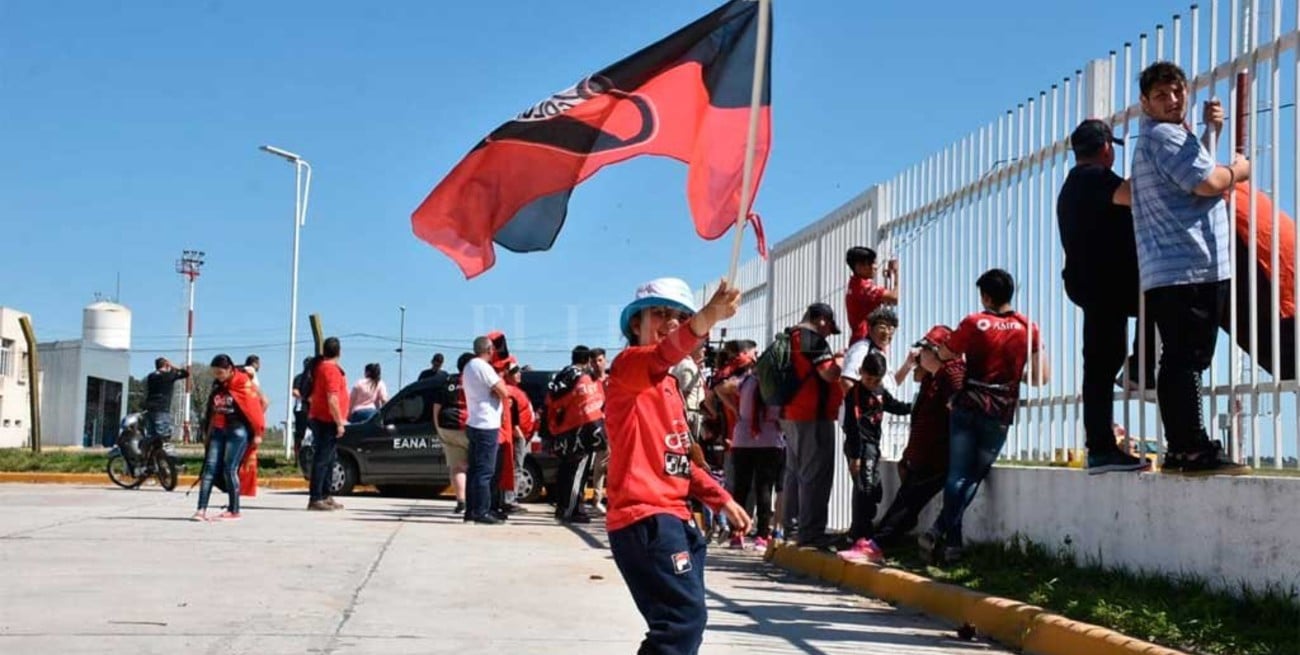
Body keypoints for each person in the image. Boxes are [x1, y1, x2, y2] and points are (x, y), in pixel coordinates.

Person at [606, 276, 751, 655]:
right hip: (645, 518)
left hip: (676, 519)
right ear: (635, 323)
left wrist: (721, 499)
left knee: (685, 622)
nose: (672, 322)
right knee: (682, 621)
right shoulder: (628, 368)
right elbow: (662, 354)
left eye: (681, 317)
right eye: (660, 313)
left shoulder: (669, 387)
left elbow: (680, 460)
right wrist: (708, 315)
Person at [1131, 61, 1251, 475]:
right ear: (1145, 102)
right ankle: (1191, 447)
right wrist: (1238, 170)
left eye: (1177, 91)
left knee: (1181, 358)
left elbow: (1190, 172)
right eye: (1161, 95)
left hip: (1174, 268)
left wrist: (1210, 132)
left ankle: (1185, 447)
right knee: (1186, 360)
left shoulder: (1163, 137)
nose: (1172, 100)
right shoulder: (1163, 136)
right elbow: (1205, 182)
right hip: (1187, 265)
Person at [920, 269, 1048, 564]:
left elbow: (945, 354)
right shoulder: (1028, 327)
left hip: (967, 406)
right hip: (1000, 412)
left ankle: (950, 540)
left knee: (957, 475)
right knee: (974, 475)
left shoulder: (973, 322)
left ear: (986, 297)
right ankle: (942, 534)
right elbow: (1041, 377)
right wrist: (1013, 374)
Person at [1057, 118, 1156, 474]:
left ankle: (1101, 443)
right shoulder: (1095, 178)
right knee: (1160, 295)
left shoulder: (1073, 184)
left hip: (1092, 284)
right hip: (1108, 284)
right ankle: (1139, 369)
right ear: (1105, 149)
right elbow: (1133, 196)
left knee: (1100, 362)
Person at [872, 326, 965, 552]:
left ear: (937, 351)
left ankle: (878, 544)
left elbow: (960, 415)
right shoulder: (932, 378)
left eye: (924, 349)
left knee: (906, 503)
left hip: (937, 456)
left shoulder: (951, 375)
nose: (918, 354)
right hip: (923, 455)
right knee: (906, 501)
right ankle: (885, 540)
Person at [778, 302, 845, 550]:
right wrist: (841, 359)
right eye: (829, 329)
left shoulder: (788, 337)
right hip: (812, 416)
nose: (828, 335)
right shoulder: (811, 338)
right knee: (815, 475)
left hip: (789, 414)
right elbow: (829, 374)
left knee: (794, 473)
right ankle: (811, 533)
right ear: (821, 320)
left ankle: (793, 528)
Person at [838, 351, 911, 563]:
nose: (871, 384)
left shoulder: (879, 391)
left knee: (873, 490)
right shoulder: (855, 394)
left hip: (873, 447)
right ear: (861, 372)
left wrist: (914, 408)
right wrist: (855, 457)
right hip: (860, 447)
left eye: (876, 380)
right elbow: (852, 427)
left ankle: (862, 531)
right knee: (865, 490)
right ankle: (861, 535)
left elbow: (894, 405)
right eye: (868, 379)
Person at [192, 354, 265, 522]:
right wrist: (207, 434)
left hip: (237, 431)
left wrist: (258, 433)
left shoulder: (243, 383)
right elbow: (212, 411)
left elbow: (257, 407)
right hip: (218, 430)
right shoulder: (218, 386)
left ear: (229, 370)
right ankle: (201, 509)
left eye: (220, 373)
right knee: (209, 469)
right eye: (214, 373)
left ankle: (234, 509)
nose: (217, 376)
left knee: (229, 469)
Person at [728, 350, 783, 551]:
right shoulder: (776, 384)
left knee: (741, 489)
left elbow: (722, 387)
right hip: (769, 440)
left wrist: (735, 410)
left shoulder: (746, 381)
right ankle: (762, 535)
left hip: (743, 439)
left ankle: (737, 533)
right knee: (764, 489)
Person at [546, 345, 605, 523]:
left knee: (565, 471)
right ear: (587, 360)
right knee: (578, 473)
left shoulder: (562, 375)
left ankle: (562, 507)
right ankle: (571, 510)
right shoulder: (583, 378)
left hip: (563, 431)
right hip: (581, 432)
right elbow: (590, 406)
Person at [462, 335, 510, 524]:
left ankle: (471, 510)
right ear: (489, 350)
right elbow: (503, 391)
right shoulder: (484, 367)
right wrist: (498, 387)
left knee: (474, 470)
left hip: (473, 421)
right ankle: (482, 511)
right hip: (486, 424)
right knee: (485, 471)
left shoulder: (468, 367)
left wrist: (494, 390)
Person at [307, 337, 348, 512]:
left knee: (330, 459)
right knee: (322, 460)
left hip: (322, 418)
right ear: (339, 352)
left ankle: (325, 494)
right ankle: (316, 497)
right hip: (326, 420)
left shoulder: (322, 367)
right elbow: (332, 399)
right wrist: (339, 422)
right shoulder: (330, 370)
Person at [433, 353, 474, 514]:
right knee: (476, 466)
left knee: (457, 467)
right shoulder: (475, 381)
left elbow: (436, 407)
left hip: (447, 426)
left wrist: (438, 428)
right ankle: (476, 501)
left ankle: (461, 501)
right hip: (470, 426)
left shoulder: (448, 380)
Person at [500, 360, 536, 514]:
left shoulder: (515, 390)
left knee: (516, 468)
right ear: (507, 375)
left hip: (522, 436)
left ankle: (509, 499)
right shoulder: (509, 392)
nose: (519, 374)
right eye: (515, 372)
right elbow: (510, 417)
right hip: (515, 437)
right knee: (515, 468)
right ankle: (509, 500)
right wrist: (519, 435)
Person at [844, 246, 900, 345]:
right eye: (871, 263)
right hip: (866, 339)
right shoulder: (863, 287)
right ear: (859, 266)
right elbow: (895, 298)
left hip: (861, 339)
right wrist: (896, 273)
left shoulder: (854, 284)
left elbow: (884, 300)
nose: (875, 267)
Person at [586, 347, 611, 515]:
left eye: (600, 360)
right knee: (598, 466)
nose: (597, 364)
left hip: (610, 426)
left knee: (609, 464)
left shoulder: (611, 381)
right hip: (593, 427)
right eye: (594, 361)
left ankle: (608, 498)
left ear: (605, 361)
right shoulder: (588, 382)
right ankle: (596, 499)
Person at [143, 357, 188, 442]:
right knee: (163, 436)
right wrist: (173, 366)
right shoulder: (168, 376)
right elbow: (186, 373)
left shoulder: (151, 376)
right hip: (162, 408)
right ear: (166, 365)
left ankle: (150, 450)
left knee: (151, 436)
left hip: (150, 408)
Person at [291, 357, 312, 457]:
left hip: (314, 410)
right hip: (301, 409)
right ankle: (297, 455)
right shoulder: (299, 378)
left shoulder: (315, 378)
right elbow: (295, 391)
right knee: (300, 433)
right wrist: (306, 398)